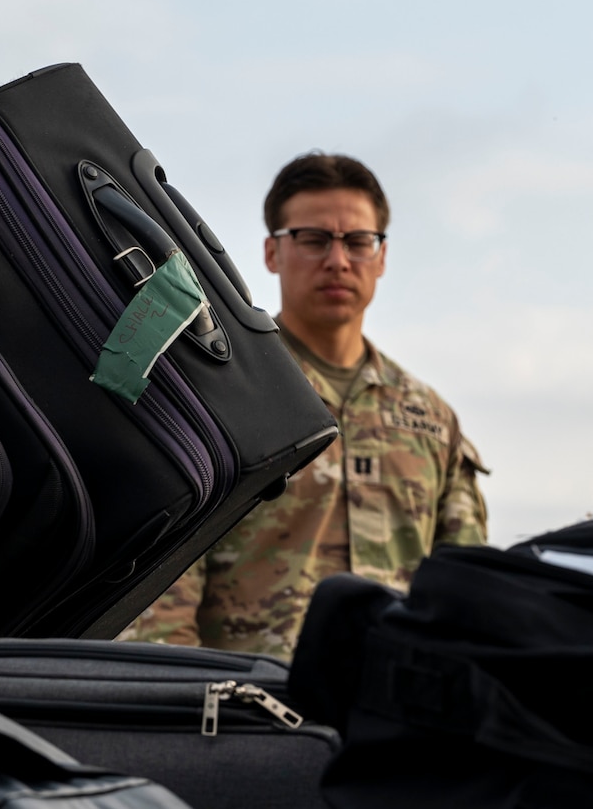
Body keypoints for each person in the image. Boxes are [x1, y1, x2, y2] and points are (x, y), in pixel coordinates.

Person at [121, 152, 488, 660]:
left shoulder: (430, 419)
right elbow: (160, 598)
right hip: (257, 712)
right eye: (313, 239)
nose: (338, 260)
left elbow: (470, 594)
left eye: (358, 242)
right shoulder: (223, 391)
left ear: (381, 257)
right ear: (272, 253)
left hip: (400, 714)